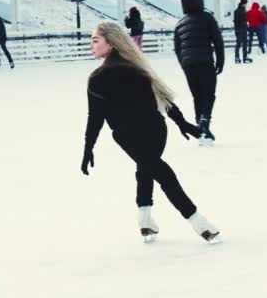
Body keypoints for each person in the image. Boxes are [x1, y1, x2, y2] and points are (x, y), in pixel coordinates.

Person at [81, 21, 221, 244]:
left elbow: (96, 117)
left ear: (111, 43)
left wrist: (88, 147)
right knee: (149, 166)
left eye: (95, 40)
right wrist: (182, 124)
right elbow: (164, 100)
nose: (91, 45)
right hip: (155, 129)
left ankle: (198, 221)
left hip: (128, 135)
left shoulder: (98, 78)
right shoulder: (136, 68)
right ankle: (146, 218)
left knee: (157, 170)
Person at [174, 0, 224, 145]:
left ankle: (200, 128)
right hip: (205, 61)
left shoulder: (180, 24)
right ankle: (204, 121)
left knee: (197, 95)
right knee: (209, 94)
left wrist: (184, 64)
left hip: (189, 64)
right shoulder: (207, 18)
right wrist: (220, 60)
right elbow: (217, 40)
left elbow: (178, 48)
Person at [233, 0, 252, 64]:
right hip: (239, 29)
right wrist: (237, 30)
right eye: (245, 3)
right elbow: (236, 21)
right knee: (238, 44)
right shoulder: (237, 11)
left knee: (245, 44)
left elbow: (245, 20)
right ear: (243, 3)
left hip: (244, 29)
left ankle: (245, 57)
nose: (246, 5)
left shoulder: (244, 10)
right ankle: (237, 57)